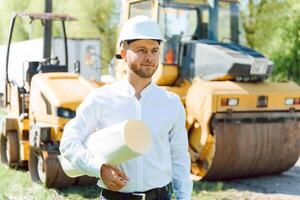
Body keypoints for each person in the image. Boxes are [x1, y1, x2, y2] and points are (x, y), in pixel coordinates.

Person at [60, 15, 192, 200]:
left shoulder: (172, 103)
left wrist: (184, 197)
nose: (149, 57)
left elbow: (179, 157)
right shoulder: (100, 99)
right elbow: (68, 143)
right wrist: (99, 168)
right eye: (141, 50)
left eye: (154, 50)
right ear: (123, 54)